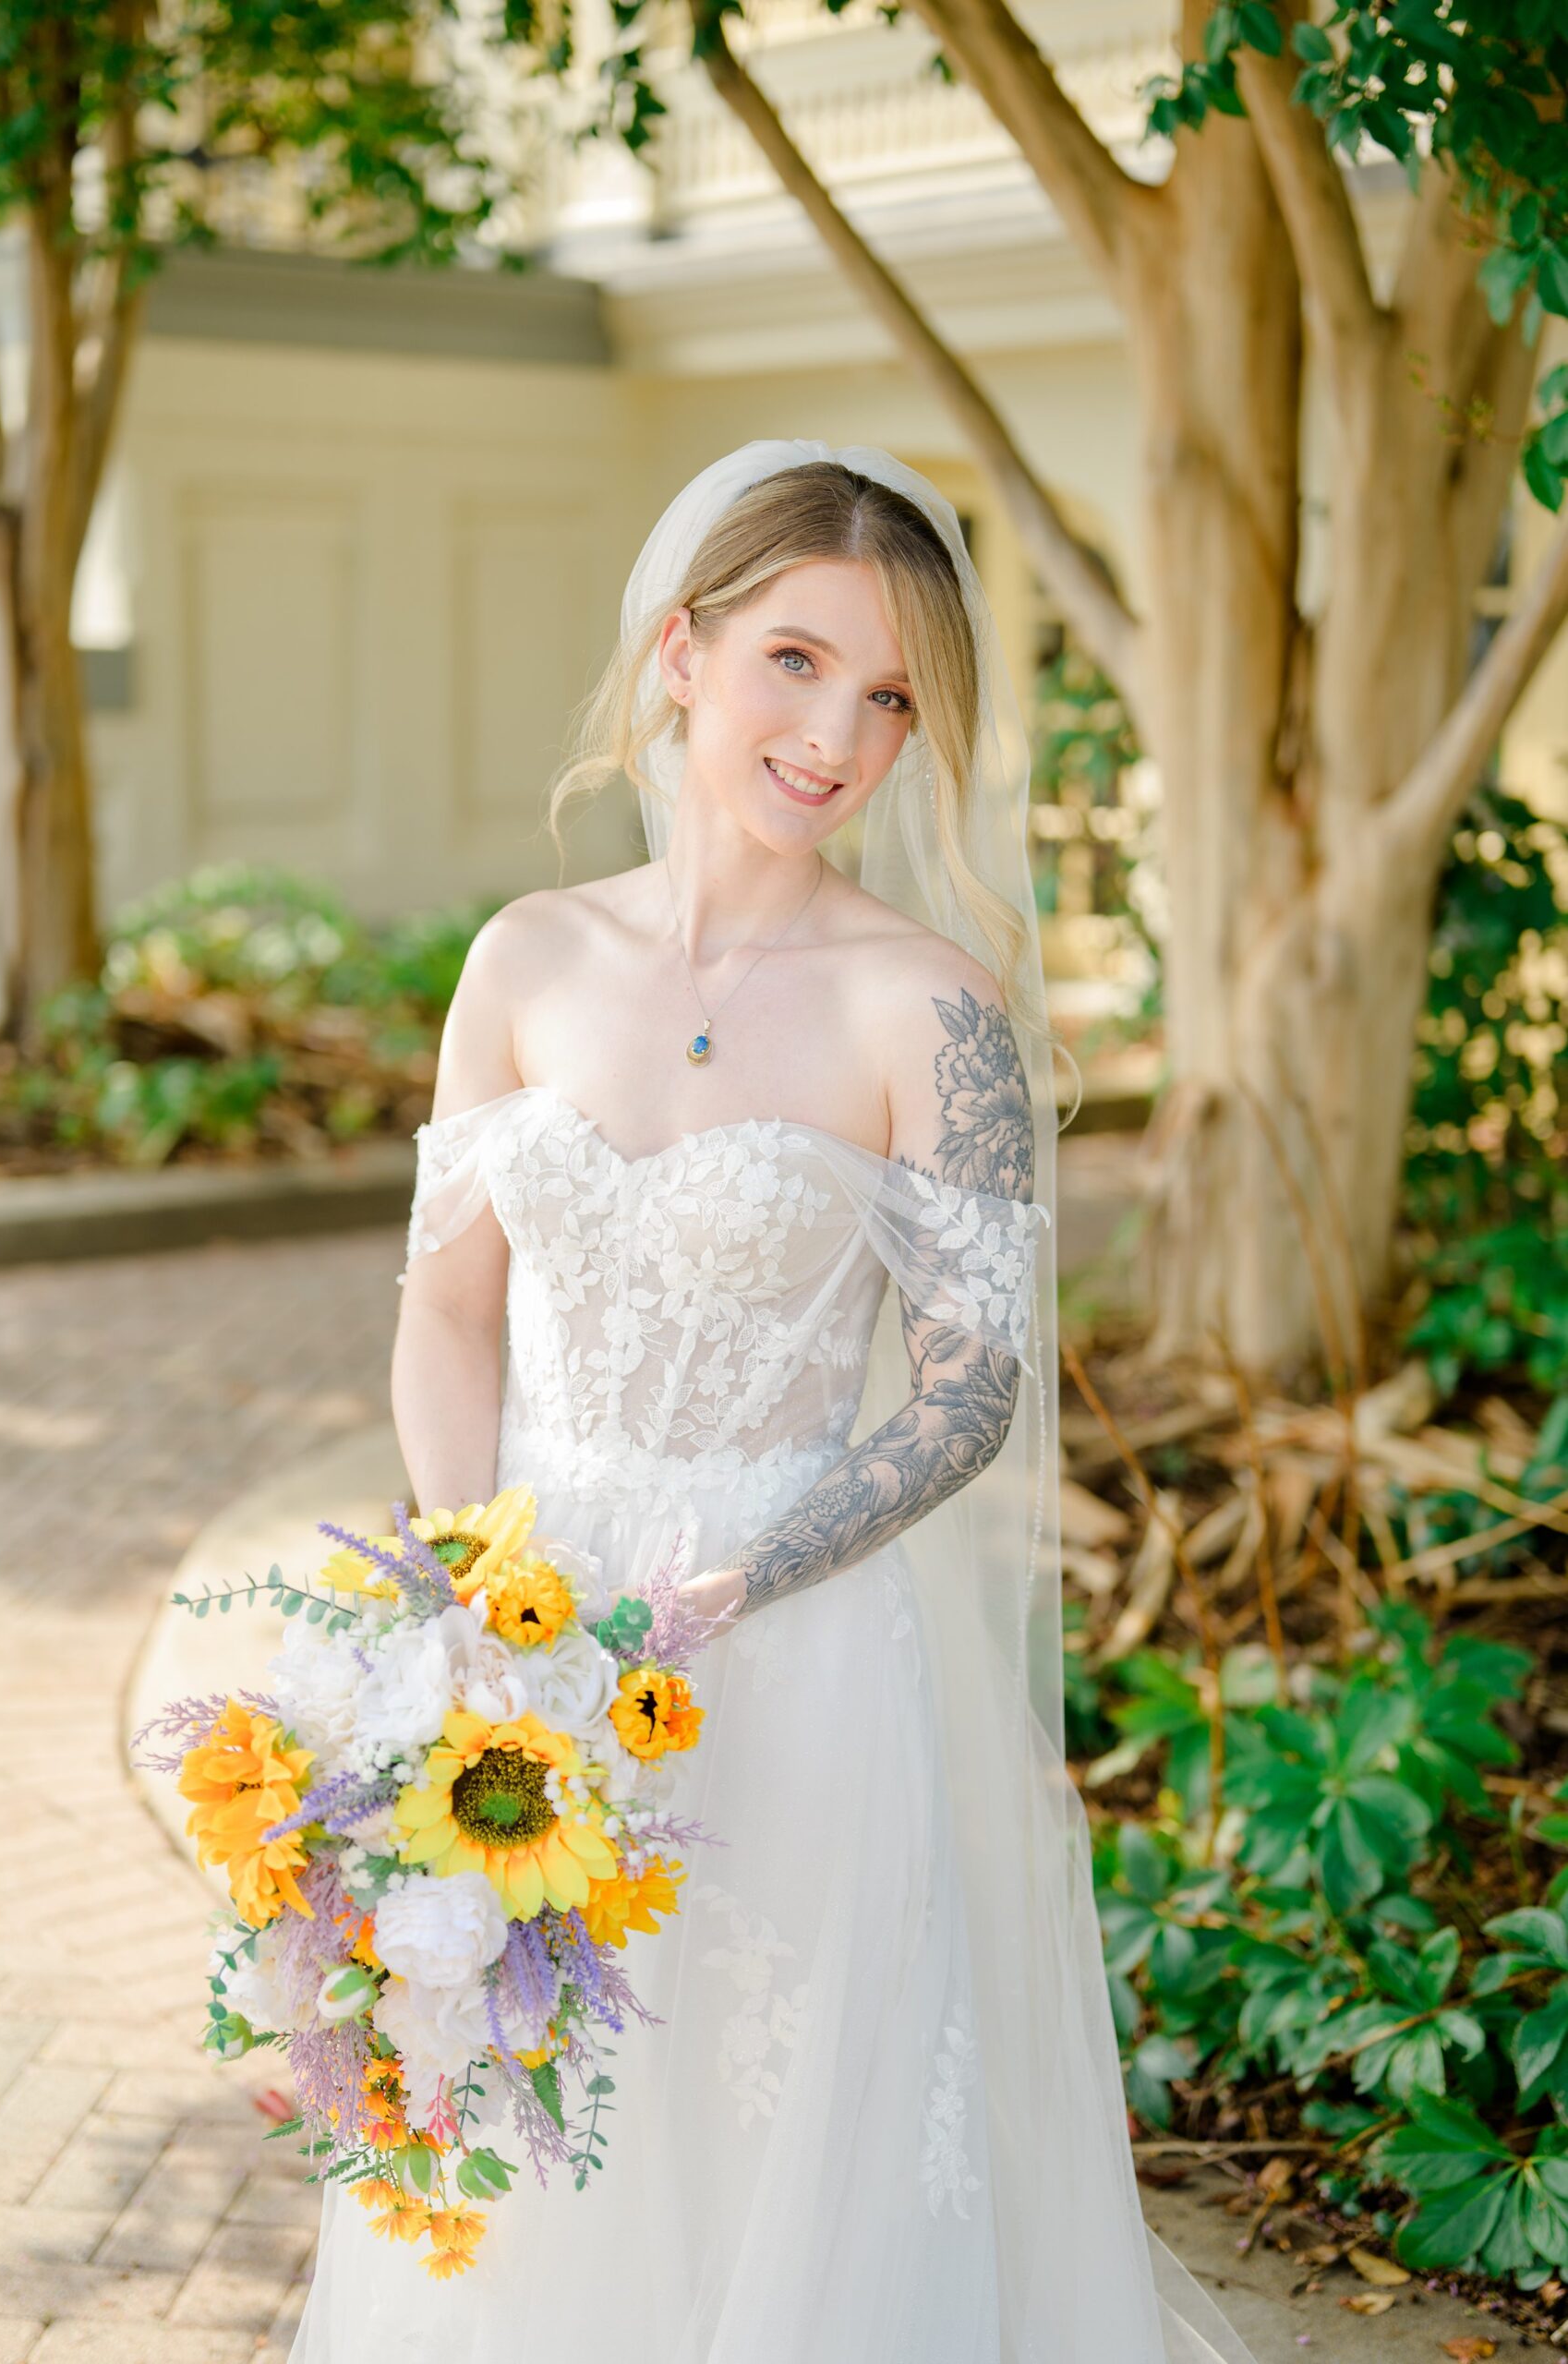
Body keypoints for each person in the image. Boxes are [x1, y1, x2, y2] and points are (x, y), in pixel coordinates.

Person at [285, 442, 1257, 2363]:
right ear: (681, 649)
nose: (838, 733)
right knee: (540, 2121)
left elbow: (974, 1392)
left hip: (799, 1655)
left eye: (890, 696)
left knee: (781, 2142)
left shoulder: (933, 1010)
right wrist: (471, 1574)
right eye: (797, 662)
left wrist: (743, 1568)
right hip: (530, 1637)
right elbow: (449, 1309)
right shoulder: (526, 957)